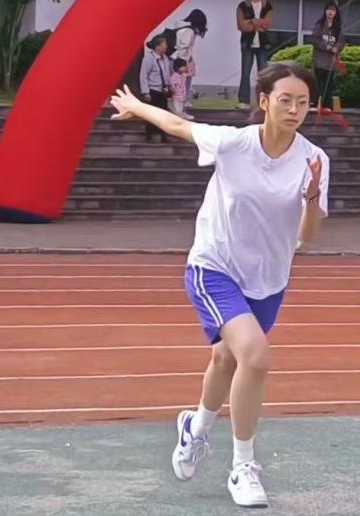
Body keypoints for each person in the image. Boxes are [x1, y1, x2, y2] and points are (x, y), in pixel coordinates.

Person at [108, 61, 329, 509]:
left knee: (227, 358)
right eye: (285, 100)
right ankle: (243, 466)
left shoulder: (314, 160)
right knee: (256, 356)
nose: (294, 110)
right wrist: (138, 106)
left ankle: (195, 429)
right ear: (265, 101)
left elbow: (307, 238)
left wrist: (310, 199)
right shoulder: (233, 143)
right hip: (215, 267)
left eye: (303, 103)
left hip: (268, 278)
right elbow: (179, 125)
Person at [236, 0, 273, 110]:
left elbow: (268, 23)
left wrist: (252, 22)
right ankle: (243, 101)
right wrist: (256, 24)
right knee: (245, 72)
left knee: (263, 74)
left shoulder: (267, 6)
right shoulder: (243, 6)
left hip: (262, 44)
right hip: (247, 43)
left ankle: (263, 101)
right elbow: (241, 26)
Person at [309, 1, 345, 110]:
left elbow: (341, 42)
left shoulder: (338, 27)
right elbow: (314, 39)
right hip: (319, 61)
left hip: (330, 62)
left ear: (336, 12)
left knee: (328, 86)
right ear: (325, 11)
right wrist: (325, 46)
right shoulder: (319, 25)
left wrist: (336, 48)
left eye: (333, 10)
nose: (330, 12)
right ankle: (315, 103)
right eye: (328, 9)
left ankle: (327, 106)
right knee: (318, 84)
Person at [140, 35, 173, 141]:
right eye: (164, 44)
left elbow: (167, 73)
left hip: (162, 90)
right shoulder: (149, 58)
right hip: (153, 90)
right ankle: (149, 135)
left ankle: (163, 134)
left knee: (163, 113)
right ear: (158, 46)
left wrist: (170, 86)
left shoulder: (165, 58)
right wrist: (145, 92)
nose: (166, 46)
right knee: (151, 113)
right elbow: (144, 75)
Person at [174, 9, 208, 108]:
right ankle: (183, 100)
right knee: (184, 82)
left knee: (180, 82)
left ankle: (183, 100)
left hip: (179, 58)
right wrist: (183, 63)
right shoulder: (189, 31)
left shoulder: (180, 27)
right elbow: (184, 47)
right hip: (183, 59)